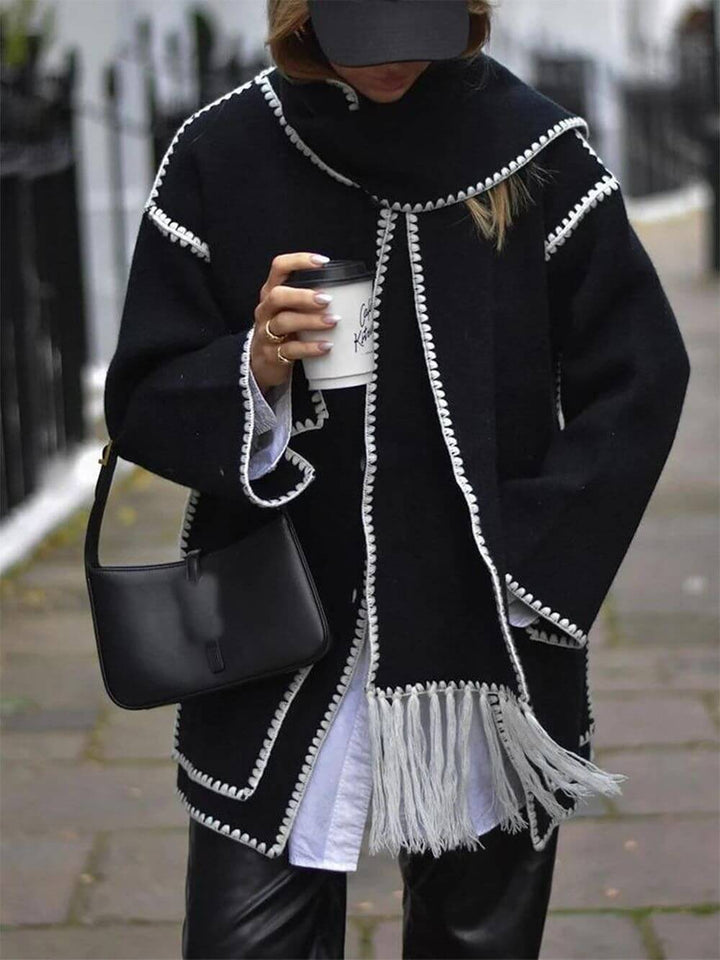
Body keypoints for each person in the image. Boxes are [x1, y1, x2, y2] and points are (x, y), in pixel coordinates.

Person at [103, 1, 691, 957]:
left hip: (486, 647)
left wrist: (531, 570)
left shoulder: (536, 151)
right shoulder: (223, 151)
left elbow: (640, 375)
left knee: (476, 935)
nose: (395, 63)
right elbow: (140, 395)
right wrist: (252, 364)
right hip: (281, 641)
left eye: (422, 29)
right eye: (364, 37)